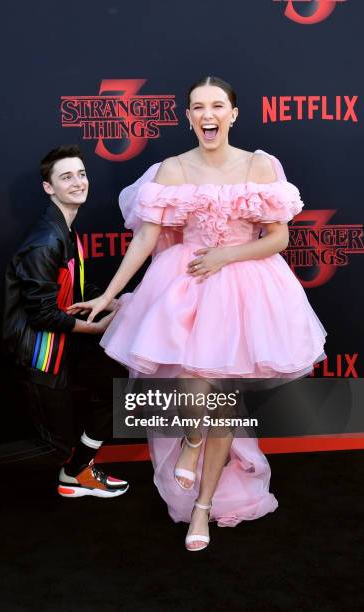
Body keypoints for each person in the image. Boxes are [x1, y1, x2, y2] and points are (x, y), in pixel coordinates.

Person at [69, 77, 327, 551]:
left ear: (233, 114)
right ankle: (192, 440)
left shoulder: (260, 165)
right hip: (186, 288)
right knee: (196, 390)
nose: (207, 114)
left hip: (245, 288)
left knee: (224, 401)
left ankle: (203, 511)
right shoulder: (173, 168)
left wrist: (225, 257)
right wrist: (108, 296)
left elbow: (279, 238)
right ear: (188, 117)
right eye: (197, 107)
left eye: (217, 106)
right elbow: (145, 240)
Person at [0, 144, 129, 520]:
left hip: (63, 345)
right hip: (39, 351)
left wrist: (110, 301)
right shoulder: (45, 241)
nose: (78, 182)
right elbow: (44, 314)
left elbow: (70, 291)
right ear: (49, 188)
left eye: (81, 174)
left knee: (116, 388)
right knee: (52, 446)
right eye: (66, 177)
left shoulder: (65, 230)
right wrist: (96, 325)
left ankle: (78, 472)